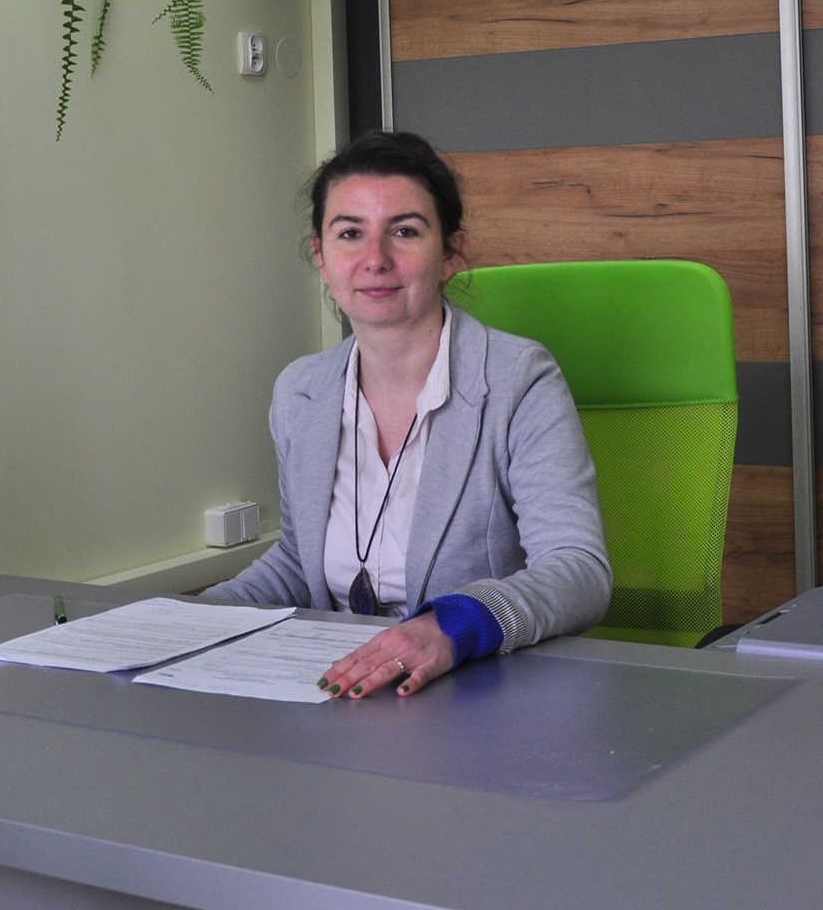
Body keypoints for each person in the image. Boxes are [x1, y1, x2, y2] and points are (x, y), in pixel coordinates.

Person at [202, 131, 611, 699]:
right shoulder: (300, 391)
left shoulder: (518, 381)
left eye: (405, 231)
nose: (375, 259)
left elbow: (579, 571)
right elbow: (299, 562)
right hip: (337, 691)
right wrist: (187, 618)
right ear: (321, 257)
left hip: (479, 694)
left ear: (450, 254)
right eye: (350, 233)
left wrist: (452, 627)